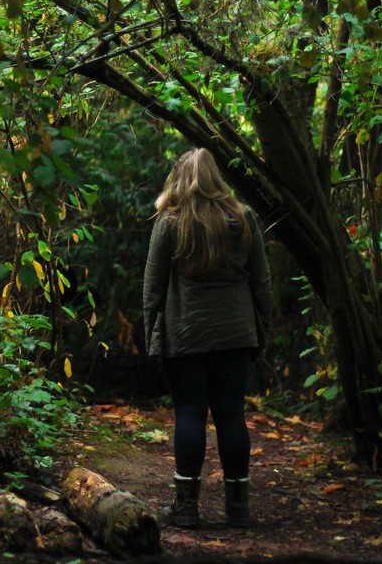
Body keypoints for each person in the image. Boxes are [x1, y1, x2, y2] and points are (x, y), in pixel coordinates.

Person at [142, 148, 272, 529]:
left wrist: (154, 334)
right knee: (232, 414)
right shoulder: (245, 219)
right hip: (236, 335)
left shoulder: (170, 223)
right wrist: (261, 332)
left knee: (190, 414)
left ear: (179, 180)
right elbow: (262, 284)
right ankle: (238, 509)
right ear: (217, 178)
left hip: (186, 335)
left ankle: (186, 508)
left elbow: (153, 288)